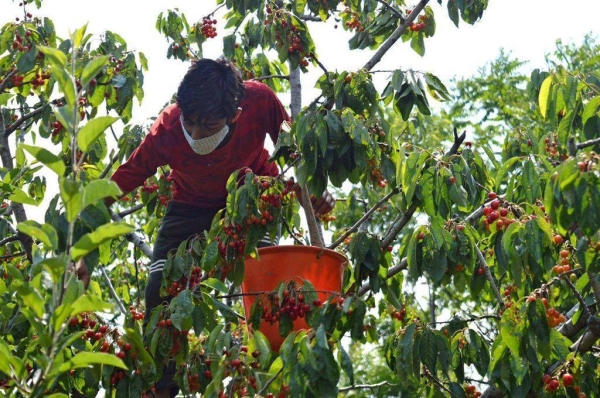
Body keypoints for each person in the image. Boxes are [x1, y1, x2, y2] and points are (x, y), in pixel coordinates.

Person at [78, 58, 334, 398]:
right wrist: (79, 248)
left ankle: (269, 368)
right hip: (189, 206)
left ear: (235, 115)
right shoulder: (167, 131)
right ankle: (163, 387)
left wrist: (311, 194)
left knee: (265, 283)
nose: (195, 133)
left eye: (207, 125)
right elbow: (120, 182)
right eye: (190, 121)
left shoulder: (260, 101)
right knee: (159, 287)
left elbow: (292, 152)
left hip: (251, 197)